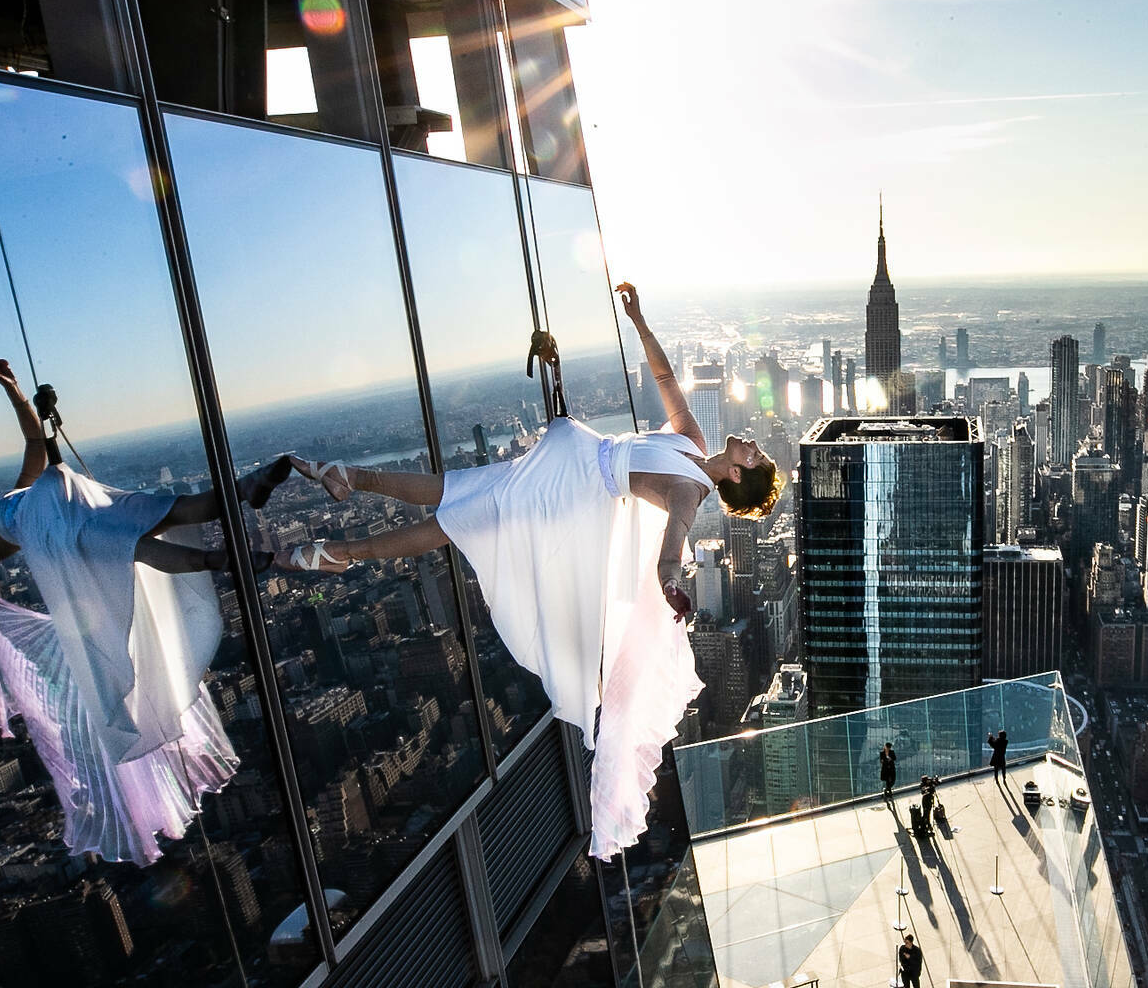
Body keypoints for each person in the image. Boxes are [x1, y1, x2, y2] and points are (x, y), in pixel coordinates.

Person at [275, 287, 784, 858]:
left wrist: (669, 585)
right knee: (464, 499)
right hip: (571, 461)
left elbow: (671, 548)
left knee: (465, 510)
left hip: (566, 490)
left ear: (737, 478)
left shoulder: (690, 491)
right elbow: (666, 381)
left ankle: (346, 531)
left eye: (757, 459)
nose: (755, 447)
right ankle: (345, 515)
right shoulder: (692, 444)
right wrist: (639, 319)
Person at [0, 358, 293, 864]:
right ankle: (242, 492)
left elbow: (34, 446)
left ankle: (227, 544)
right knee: (151, 517)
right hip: (53, 507)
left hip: (52, 506)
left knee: (134, 538)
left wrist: (13, 390)